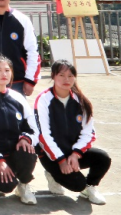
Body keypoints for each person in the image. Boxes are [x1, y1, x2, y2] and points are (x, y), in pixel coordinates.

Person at [34, 60, 110, 205]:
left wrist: (75, 154)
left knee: (103, 158)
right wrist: (61, 160)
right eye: (61, 75)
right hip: (51, 155)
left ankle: (90, 187)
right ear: (53, 76)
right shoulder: (43, 99)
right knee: (77, 184)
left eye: (70, 76)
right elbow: (43, 136)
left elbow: (88, 133)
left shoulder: (81, 101)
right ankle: (52, 174)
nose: (66, 79)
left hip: (72, 153)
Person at [0, 55, 39, 205]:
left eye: (7, 70)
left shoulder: (18, 97)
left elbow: (33, 128)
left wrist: (26, 138)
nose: (4, 74)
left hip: (17, 152)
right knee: (5, 187)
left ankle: (24, 185)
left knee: (28, 149)